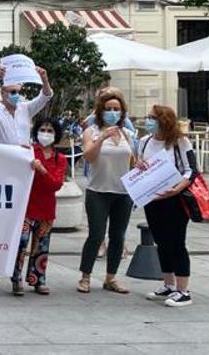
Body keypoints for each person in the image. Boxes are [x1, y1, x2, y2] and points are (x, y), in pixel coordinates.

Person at [139, 105, 199, 307]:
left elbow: (192, 170)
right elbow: (140, 166)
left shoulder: (180, 142)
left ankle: (183, 290)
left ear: (164, 120)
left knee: (176, 242)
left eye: (153, 117)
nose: (149, 121)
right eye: (148, 117)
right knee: (161, 242)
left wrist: (177, 188)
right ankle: (168, 284)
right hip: (153, 199)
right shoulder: (144, 142)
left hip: (175, 199)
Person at [77, 92, 135, 295]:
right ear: (101, 111)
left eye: (116, 109)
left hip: (122, 193)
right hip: (98, 191)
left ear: (122, 113)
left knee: (118, 236)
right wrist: (101, 137)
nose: (112, 112)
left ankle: (111, 277)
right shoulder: (91, 131)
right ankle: (85, 276)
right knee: (96, 235)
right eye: (108, 108)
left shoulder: (127, 134)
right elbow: (89, 157)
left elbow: (132, 161)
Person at [13, 118, 66, 296]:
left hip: (46, 209)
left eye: (50, 130)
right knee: (21, 243)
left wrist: (42, 170)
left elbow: (56, 184)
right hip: (26, 207)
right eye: (42, 129)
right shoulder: (28, 152)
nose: (46, 133)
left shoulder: (60, 159)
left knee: (41, 246)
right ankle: (16, 278)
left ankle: (38, 279)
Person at [0, 65, 52, 145]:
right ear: (2, 92)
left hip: (23, 156)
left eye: (18, 92)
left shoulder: (25, 108)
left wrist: (44, 80)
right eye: (13, 92)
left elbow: (45, 97)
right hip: (1, 156)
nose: (16, 95)